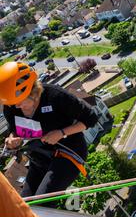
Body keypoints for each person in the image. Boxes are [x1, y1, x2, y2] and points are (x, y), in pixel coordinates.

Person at [1, 62, 98, 199]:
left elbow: (91, 118)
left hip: (68, 152)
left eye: (20, 101)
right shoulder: (10, 107)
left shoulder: (55, 96)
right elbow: (14, 130)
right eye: (12, 103)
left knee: (42, 202)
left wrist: (61, 133)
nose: (17, 107)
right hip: (39, 157)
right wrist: (11, 141)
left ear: (32, 91)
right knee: (27, 203)